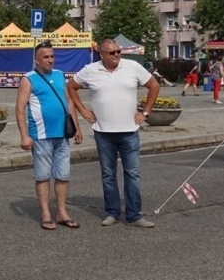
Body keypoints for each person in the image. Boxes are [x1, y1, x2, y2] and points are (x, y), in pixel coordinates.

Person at [67, 39, 160, 228]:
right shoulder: (91, 69)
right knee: (108, 174)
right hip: (103, 131)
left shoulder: (132, 66)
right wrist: (83, 111)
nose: (117, 55)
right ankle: (113, 212)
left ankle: (134, 215)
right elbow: (71, 87)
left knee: (132, 174)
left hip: (129, 131)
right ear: (101, 54)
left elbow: (154, 86)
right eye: (112, 53)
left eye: (119, 51)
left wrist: (145, 113)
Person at [16, 42, 83, 230]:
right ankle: (46, 213)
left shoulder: (60, 75)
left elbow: (69, 102)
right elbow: (20, 109)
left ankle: (62, 212)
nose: (50, 60)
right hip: (41, 135)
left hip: (62, 135)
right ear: (37, 60)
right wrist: (24, 136)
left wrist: (76, 127)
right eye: (46, 57)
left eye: (52, 56)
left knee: (63, 175)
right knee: (43, 175)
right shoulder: (28, 79)